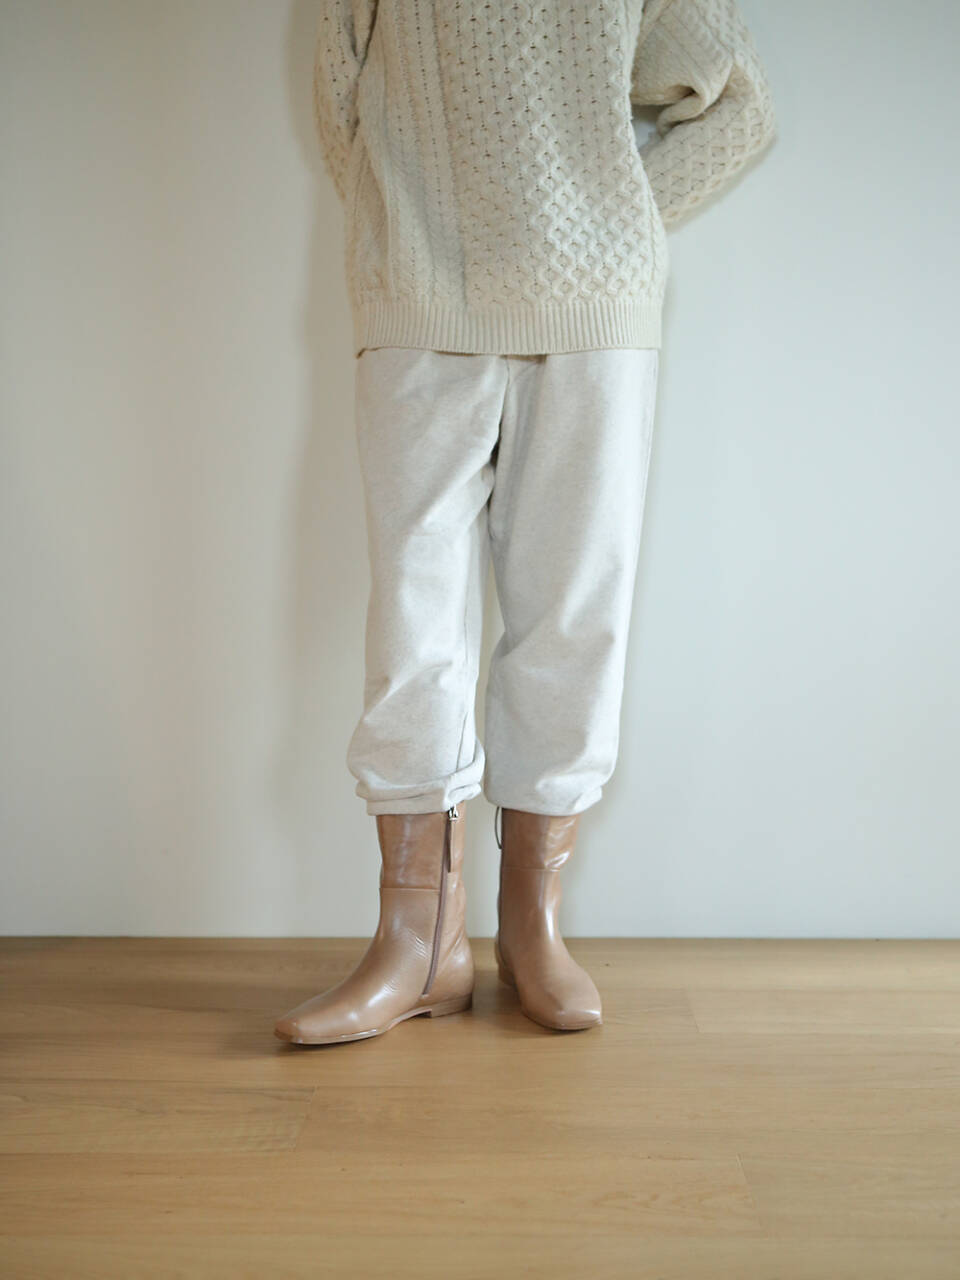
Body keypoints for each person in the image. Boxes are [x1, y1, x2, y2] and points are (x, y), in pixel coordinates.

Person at [275, 0, 777, 1045]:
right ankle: (419, 941)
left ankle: (529, 925)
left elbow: (738, 107)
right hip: (418, 301)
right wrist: (414, 233)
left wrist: (606, 227)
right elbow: (340, 98)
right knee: (412, 621)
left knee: (572, 612)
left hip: (593, 315)